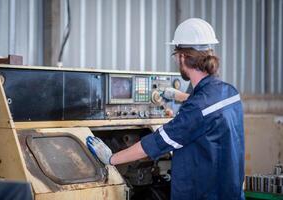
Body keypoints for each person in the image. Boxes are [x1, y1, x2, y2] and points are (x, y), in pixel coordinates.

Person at [87, 18, 245, 200]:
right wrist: (180, 96)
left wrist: (111, 159)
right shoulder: (230, 93)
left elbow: (157, 142)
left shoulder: (196, 109)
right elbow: (209, 108)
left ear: (182, 57)